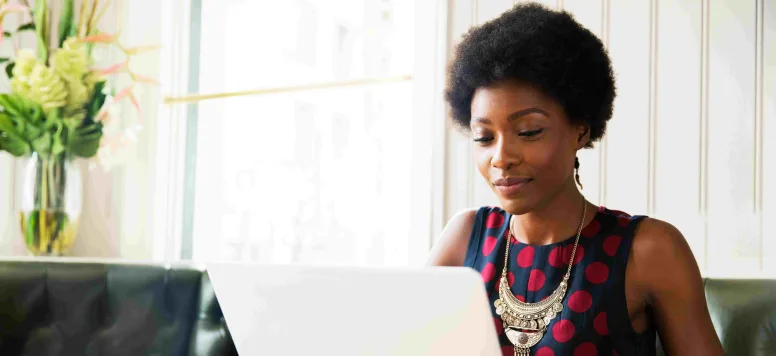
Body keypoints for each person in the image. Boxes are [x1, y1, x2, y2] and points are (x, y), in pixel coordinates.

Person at [426, 3, 723, 356]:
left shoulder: (649, 251)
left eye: (529, 131)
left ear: (580, 132)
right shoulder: (464, 239)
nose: (502, 157)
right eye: (484, 137)